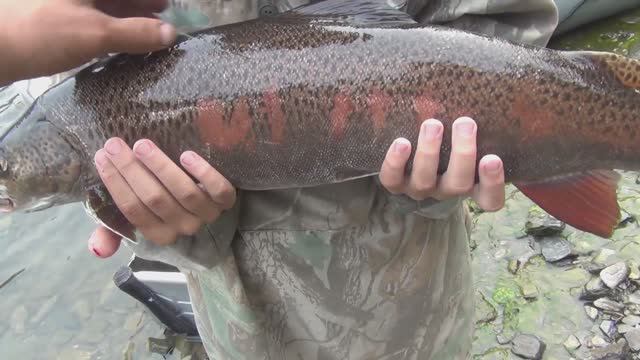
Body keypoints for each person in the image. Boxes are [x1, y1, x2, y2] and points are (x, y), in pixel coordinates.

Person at [0, 0, 559, 358]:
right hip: (249, 328)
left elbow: (513, 45)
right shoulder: (79, 86)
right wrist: (160, 226)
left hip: (417, 314)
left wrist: (462, 170)